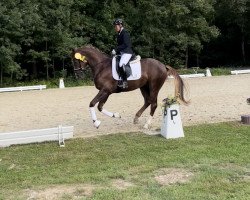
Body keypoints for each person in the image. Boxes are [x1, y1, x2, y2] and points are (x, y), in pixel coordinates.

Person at [112, 18, 134, 88]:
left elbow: (126, 44)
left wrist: (116, 49)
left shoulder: (125, 33)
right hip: (122, 53)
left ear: (120, 25)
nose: (115, 28)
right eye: (115, 27)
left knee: (121, 64)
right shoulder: (119, 34)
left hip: (127, 52)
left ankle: (125, 82)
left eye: (116, 26)